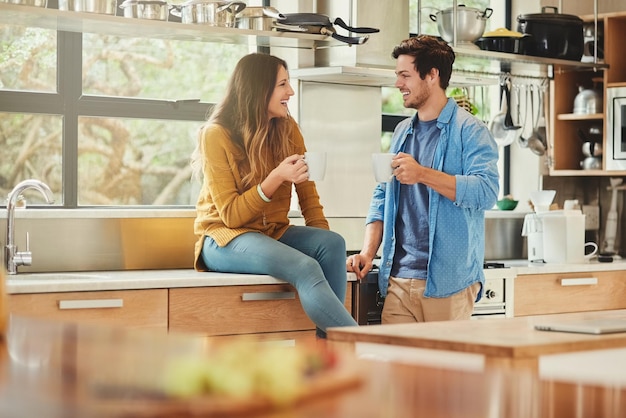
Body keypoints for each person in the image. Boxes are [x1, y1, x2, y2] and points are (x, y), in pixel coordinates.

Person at [191, 53, 358, 338]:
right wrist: (276, 178)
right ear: (259, 89)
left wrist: (324, 244)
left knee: (333, 243)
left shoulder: (287, 129)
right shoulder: (215, 135)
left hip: (272, 233)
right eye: (283, 84)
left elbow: (308, 196)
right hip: (223, 239)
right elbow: (232, 216)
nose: (290, 92)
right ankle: (364, 345)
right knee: (304, 267)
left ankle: (330, 350)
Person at [347, 35, 500, 324]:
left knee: (445, 370)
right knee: (395, 368)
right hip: (399, 281)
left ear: (432, 75)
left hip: (449, 283)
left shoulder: (470, 131)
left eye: (405, 75)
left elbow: (487, 191)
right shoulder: (403, 131)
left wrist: (422, 174)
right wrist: (368, 252)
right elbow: (383, 196)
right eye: (397, 75)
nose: (398, 84)